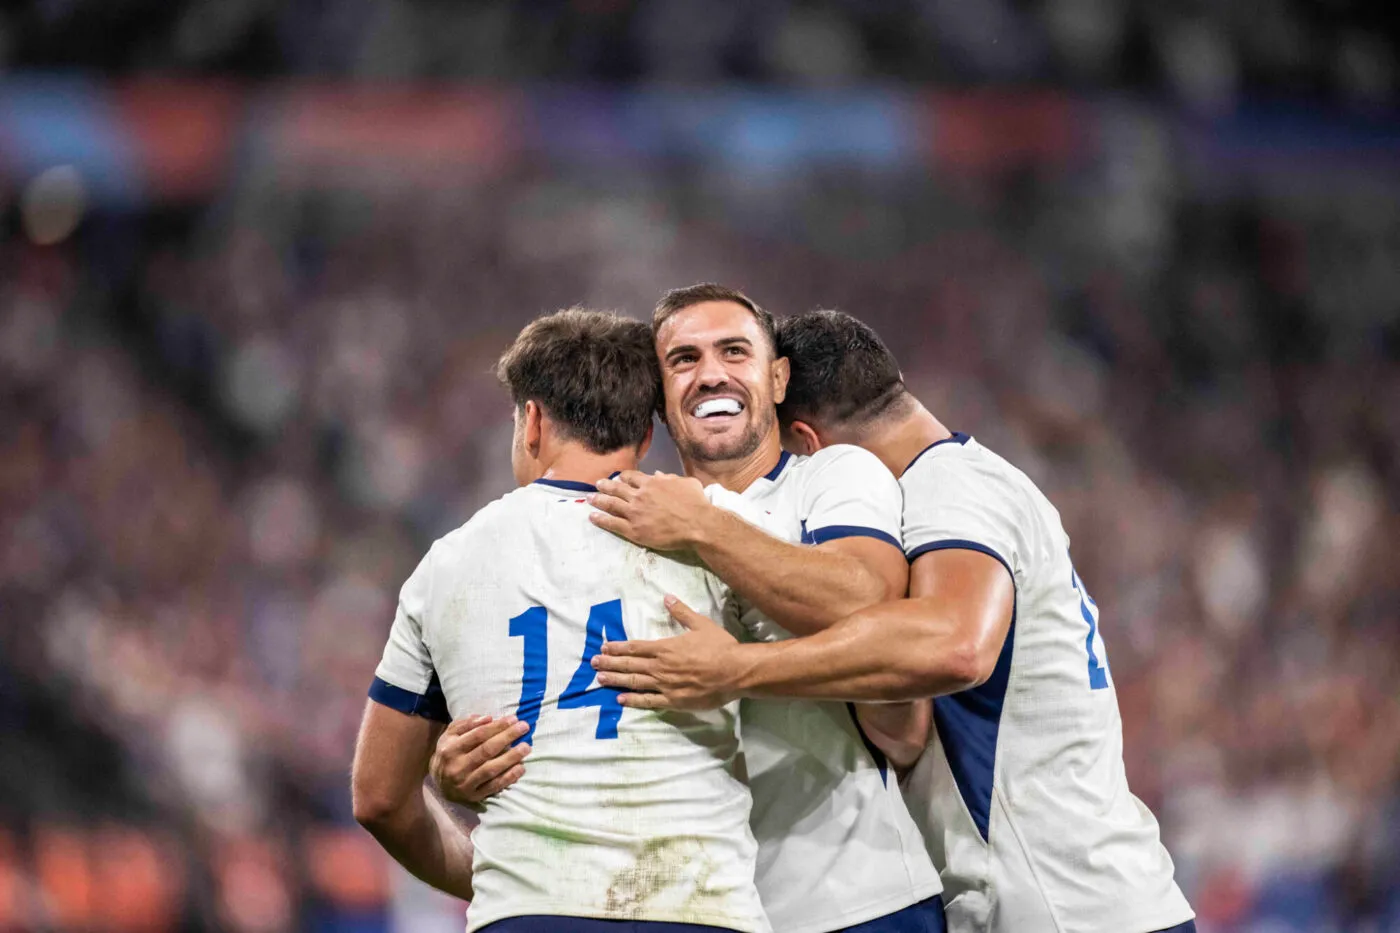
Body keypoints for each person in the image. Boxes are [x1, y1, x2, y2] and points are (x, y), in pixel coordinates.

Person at [589, 309, 1197, 933]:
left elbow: (955, 646)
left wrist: (738, 668)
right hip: (1088, 894)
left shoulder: (949, 490)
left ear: (806, 441)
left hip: (1063, 903)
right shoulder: (977, 479)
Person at [436, 286, 944, 933]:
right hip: (691, 910)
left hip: (854, 902)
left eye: (735, 351)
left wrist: (703, 530)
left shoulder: (830, 477)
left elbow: (866, 600)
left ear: (778, 375)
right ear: (658, 399)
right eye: (682, 359)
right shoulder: (608, 530)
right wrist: (466, 766)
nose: (711, 373)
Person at [351, 308, 769, 933]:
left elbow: (379, 797)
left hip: (529, 910)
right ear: (646, 436)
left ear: (534, 422)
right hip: (702, 907)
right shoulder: (720, 528)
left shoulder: (448, 562)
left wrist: (502, 870)